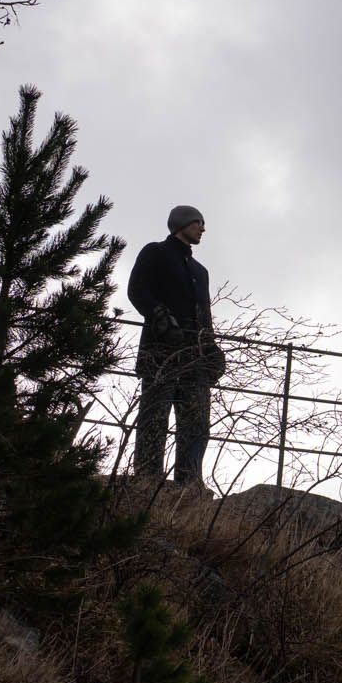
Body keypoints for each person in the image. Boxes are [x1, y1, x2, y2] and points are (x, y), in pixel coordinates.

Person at [126, 204, 224, 487]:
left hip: (195, 358)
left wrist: (211, 348)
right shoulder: (155, 252)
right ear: (181, 223)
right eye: (197, 222)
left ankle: (189, 485)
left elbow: (204, 316)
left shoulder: (200, 271)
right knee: (155, 416)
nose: (202, 228)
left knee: (197, 423)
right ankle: (147, 480)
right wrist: (159, 316)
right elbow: (137, 291)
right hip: (161, 352)